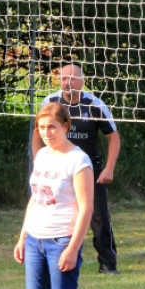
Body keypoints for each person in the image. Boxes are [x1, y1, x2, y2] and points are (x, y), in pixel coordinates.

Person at [14, 102, 94, 289]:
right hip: (36, 240)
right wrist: (24, 236)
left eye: (52, 127)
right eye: (42, 127)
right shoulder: (43, 155)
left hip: (62, 240)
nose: (47, 133)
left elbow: (86, 209)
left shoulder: (79, 160)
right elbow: (35, 198)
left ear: (66, 127)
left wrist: (73, 247)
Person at [36, 63, 121, 274]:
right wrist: (39, 163)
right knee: (52, 211)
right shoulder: (51, 103)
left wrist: (109, 168)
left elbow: (114, 138)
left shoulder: (94, 104)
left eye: (72, 79)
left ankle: (108, 265)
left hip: (87, 169)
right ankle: (50, 259)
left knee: (98, 215)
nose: (67, 83)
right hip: (57, 170)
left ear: (81, 81)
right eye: (63, 79)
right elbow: (37, 135)